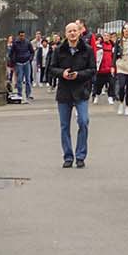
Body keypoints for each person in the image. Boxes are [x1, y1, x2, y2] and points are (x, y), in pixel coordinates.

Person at [47, 20, 95, 168]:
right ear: (65, 34)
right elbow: (51, 68)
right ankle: (68, 156)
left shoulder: (87, 50)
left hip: (81, 91)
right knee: (64, 126)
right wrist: (63, 73)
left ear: (80, 32)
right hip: (64, 92)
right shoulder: (59, 50)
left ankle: (80, 155)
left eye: (75, 30)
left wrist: (78, 75)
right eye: (70, 31)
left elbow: (92, 70)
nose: (73, 33)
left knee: (83, 122)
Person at [10, 30, 34, 101]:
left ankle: (28, 94)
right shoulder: (15, 43)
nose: (22, 37)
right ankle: (19, 94)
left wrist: (30, 59)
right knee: (19, 79)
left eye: (23, 35)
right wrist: (13, 62)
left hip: (26, 62)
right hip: (18, 63)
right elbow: (11, 53)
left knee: (28, 80)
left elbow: (32, 51)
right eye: (21, 36)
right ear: (18, 36)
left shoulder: (27, 42)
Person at [95, 33, 115, 105]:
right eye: (104, 36)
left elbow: (114, 57)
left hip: (109, 69)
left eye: (107, 36)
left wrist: (114, 66)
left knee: (111, 84)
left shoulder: (113, 46)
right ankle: (97, 95)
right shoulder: (99, 46)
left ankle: (110, 97)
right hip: (101, 69)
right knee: (99, 85)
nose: (106, 37)